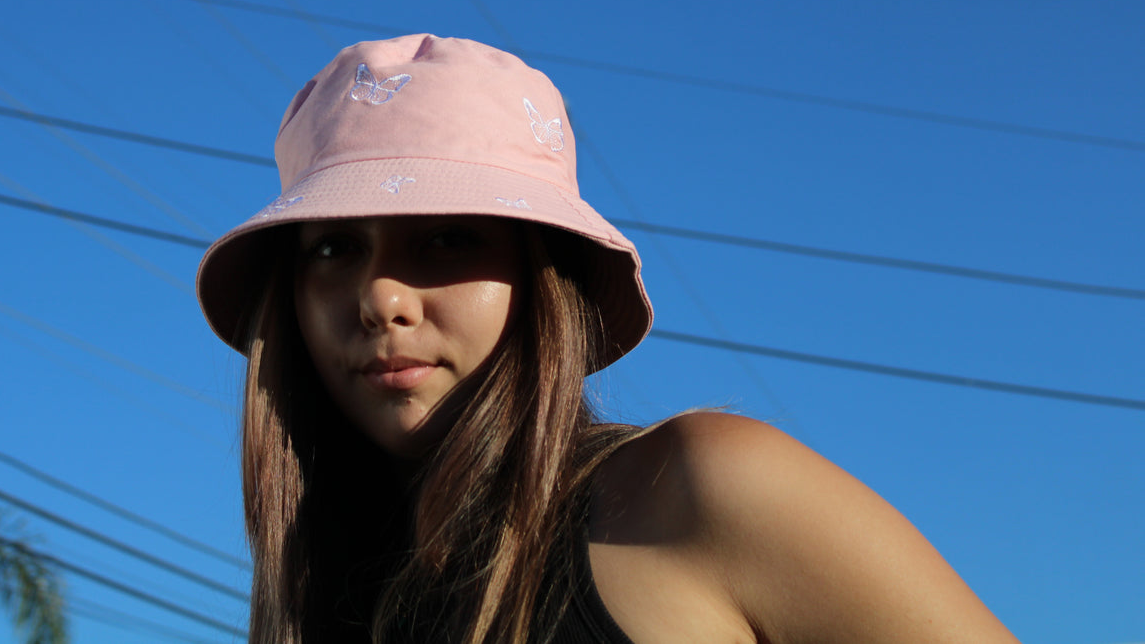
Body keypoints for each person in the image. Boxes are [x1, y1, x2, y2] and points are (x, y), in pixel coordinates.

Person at [195, 34, 1018, 644]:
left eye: (447, 239)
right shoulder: (333, 606)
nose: (379, 295)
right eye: (332, 248)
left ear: (546, 277)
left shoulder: (702, 489)